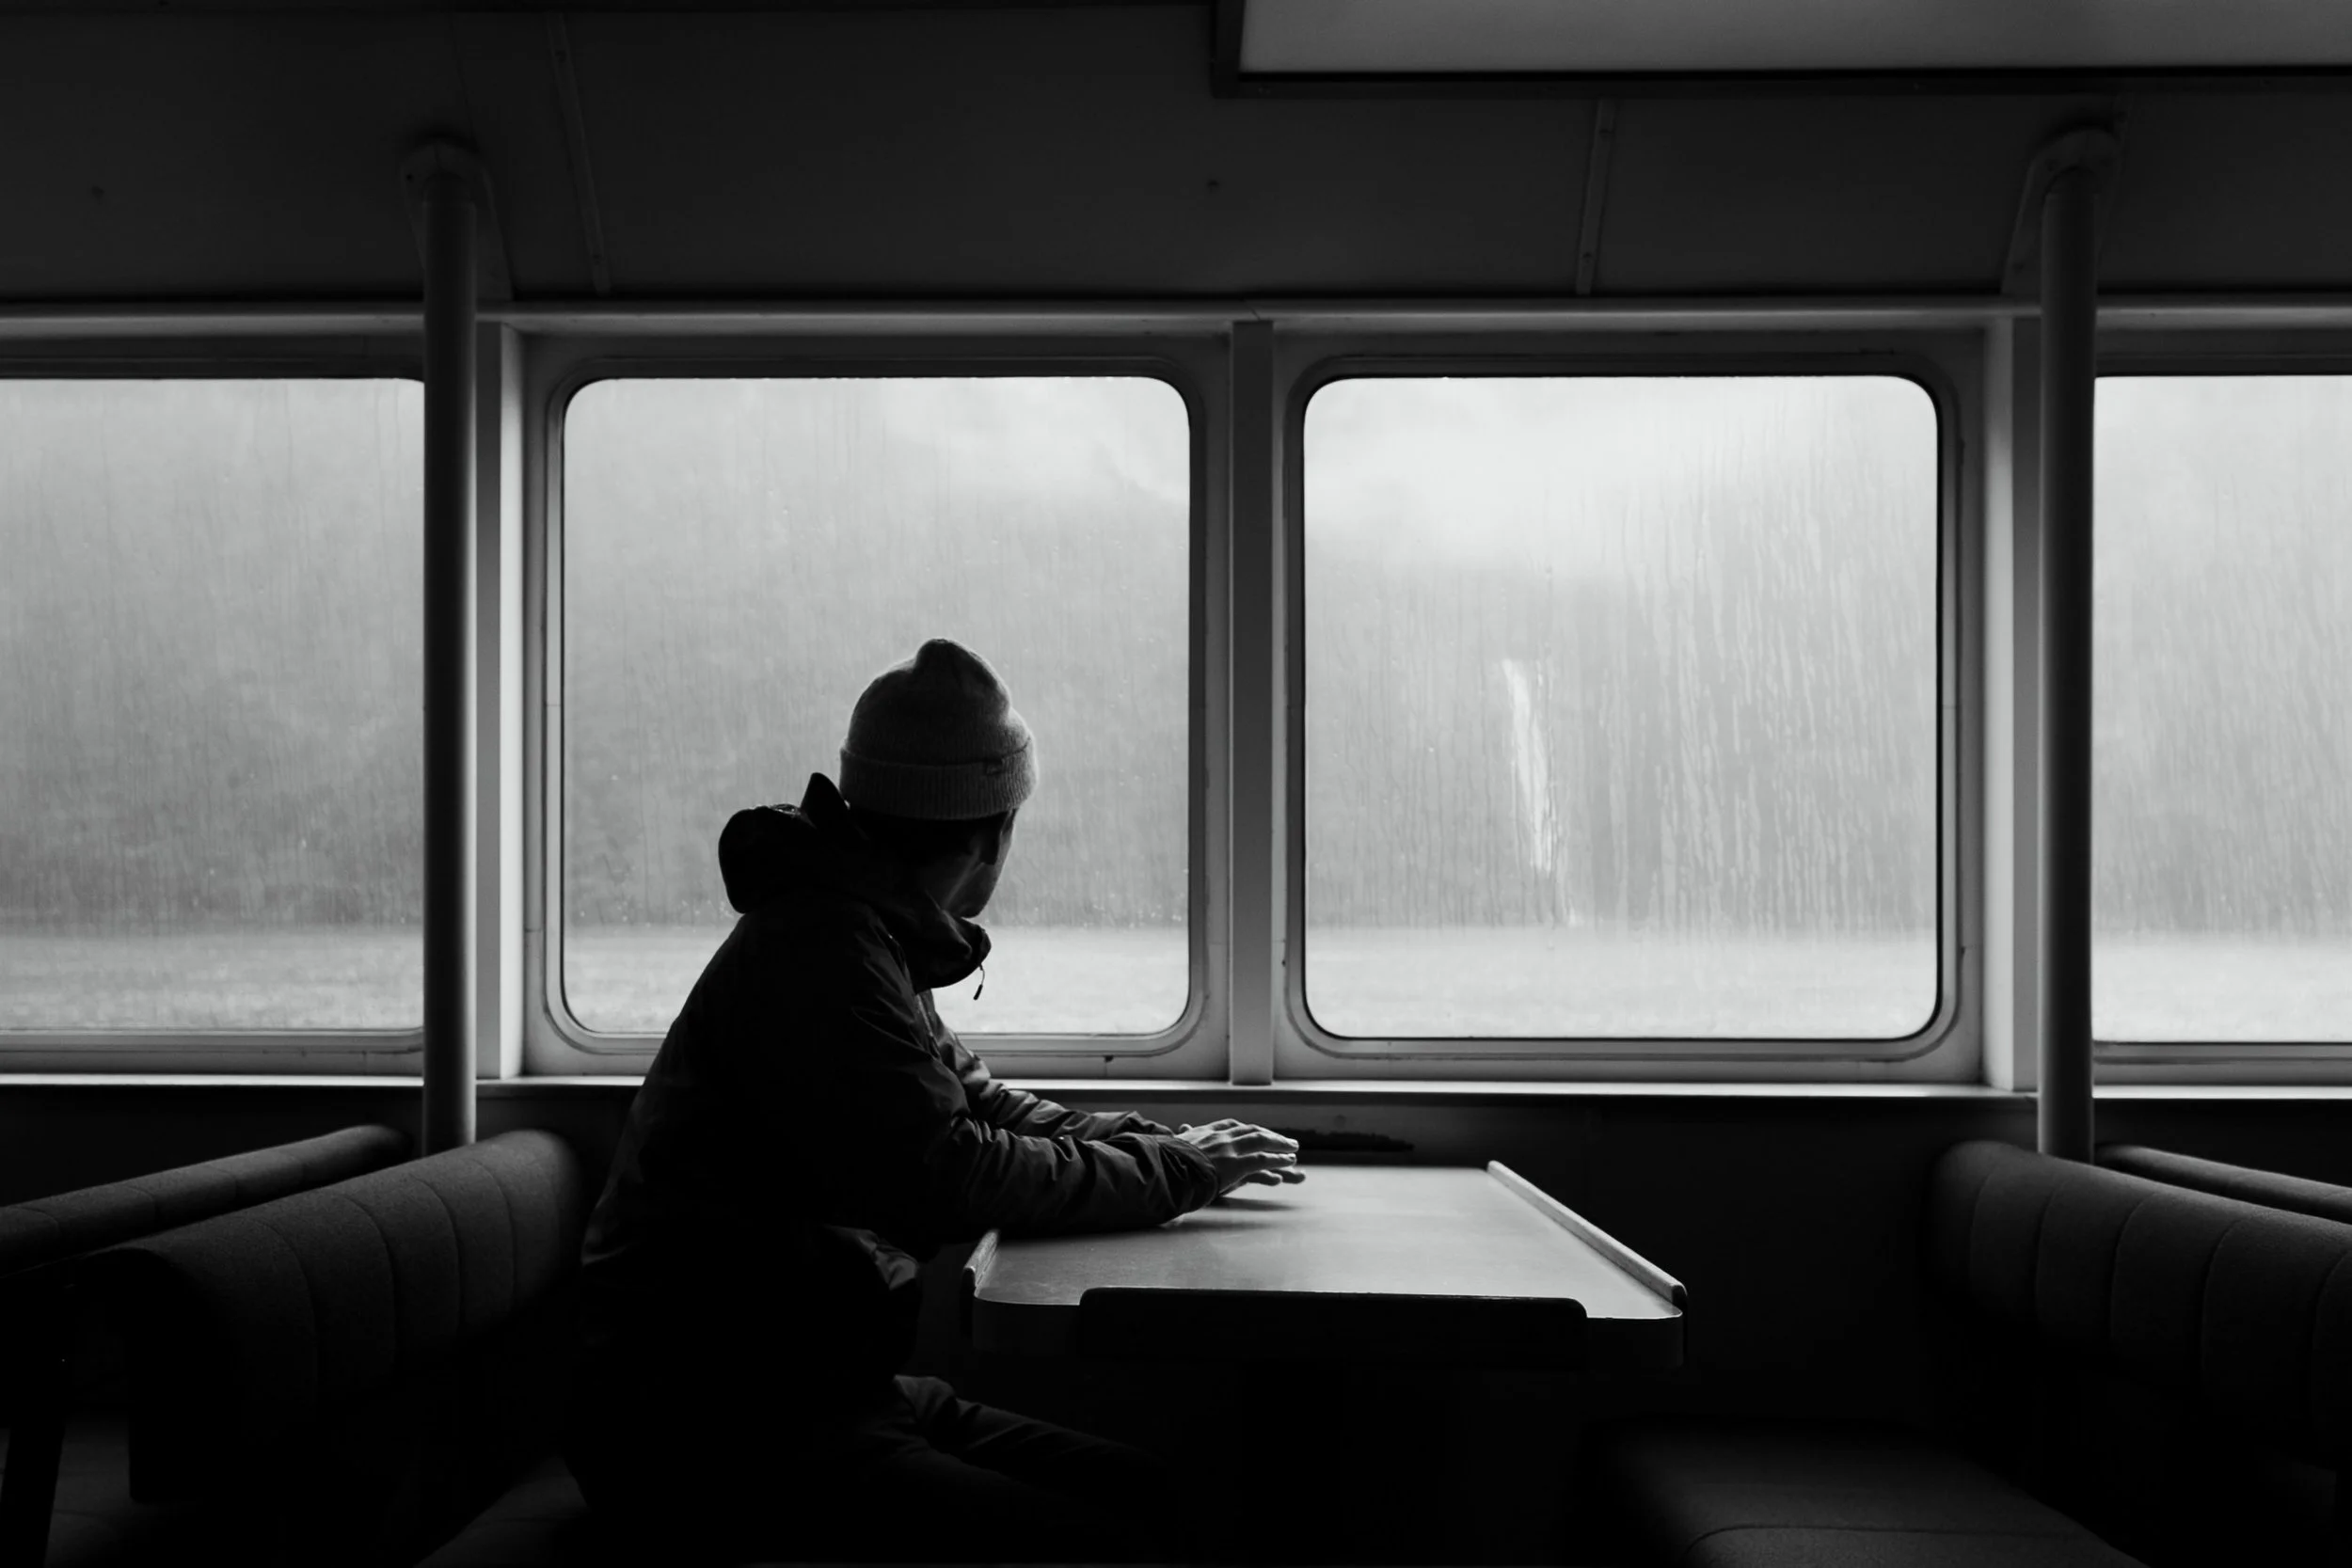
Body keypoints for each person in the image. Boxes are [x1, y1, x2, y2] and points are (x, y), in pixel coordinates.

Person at [566, 638, 1302, 1563]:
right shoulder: (823, 948)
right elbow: (948, 1168)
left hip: (799, 1385)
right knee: (1111, 1536)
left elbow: (980, 1104)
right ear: (991, 830)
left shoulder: (859, 927)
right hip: (705, 1422)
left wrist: (1156, 1144)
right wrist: (1172, 1171)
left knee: (1144, 1489)